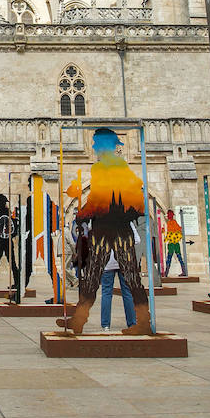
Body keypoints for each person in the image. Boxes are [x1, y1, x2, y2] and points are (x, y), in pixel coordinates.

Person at [58, 128, 151, 336]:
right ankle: (80, 321)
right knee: (129, 278)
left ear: (104, 145)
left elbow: (99, 199)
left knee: (96, 277)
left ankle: (79, 321)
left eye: (96, 143)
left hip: (106, 230)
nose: (93, 147)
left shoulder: (101, 169)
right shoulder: (122, 168)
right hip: (120, 230)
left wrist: (83, 215)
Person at [99, 222, 139, 331]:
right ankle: (132, 323)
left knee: (106, 293)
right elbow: (137, 239)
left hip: (108, 261)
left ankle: (105, 324)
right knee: (127, 292)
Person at [162, 209, 187, 277]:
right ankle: (184, 271)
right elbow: (179, 229)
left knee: (169, 257)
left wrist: (165, 236)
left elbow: (170, 234)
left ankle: (166, 273)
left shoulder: (170, 223)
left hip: (172, 243)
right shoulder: (173, 222)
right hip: (176, 243)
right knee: (179, 257)